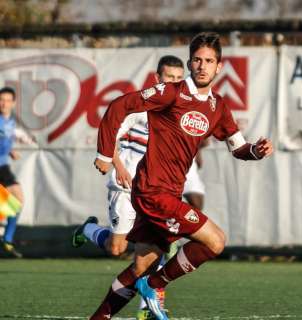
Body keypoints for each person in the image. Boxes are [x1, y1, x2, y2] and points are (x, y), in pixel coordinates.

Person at [90, 32, 273, 320]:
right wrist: (104, 154)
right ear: (190, 63)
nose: (202, 66)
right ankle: (154, 285)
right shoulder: (171, 93)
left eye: (209, 61)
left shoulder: (218, 107)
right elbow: (119, 106)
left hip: (169, 192)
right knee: (215, 241)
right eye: (197, 60)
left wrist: (256, 151)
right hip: (153, 191)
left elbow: (238, 147)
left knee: (140, 264)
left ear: (219, 67)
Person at [71, 55, 186, 320]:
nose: (175, 83)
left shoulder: (179, 112)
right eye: (169, 78)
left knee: (156, 249)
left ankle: (147, 306)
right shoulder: (141, 107)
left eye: (179, 79)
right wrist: (119, 167)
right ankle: (87, 229)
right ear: (157, 79)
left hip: (154, 191)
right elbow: (110, 132)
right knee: (117, 249)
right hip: (125, 186)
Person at [0, 87, 24, 259]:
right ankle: (6, 239)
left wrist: (10, 151)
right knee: (15, 200)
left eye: (8, 100)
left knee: (17, 200)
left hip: (3, 167)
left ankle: (7, 239)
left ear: (13, 103)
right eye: (1, 99)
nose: (4, 103)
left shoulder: (10, 122)